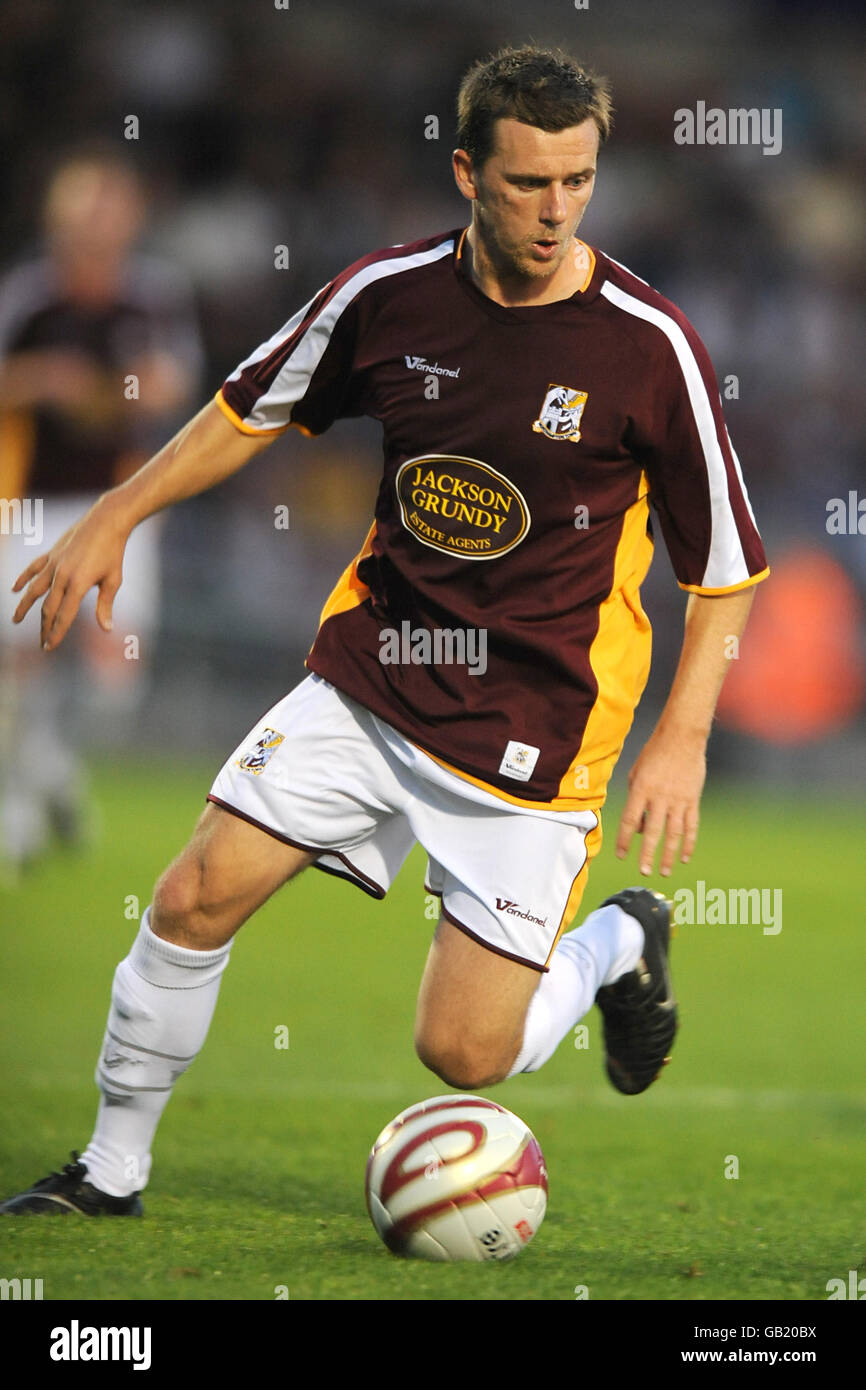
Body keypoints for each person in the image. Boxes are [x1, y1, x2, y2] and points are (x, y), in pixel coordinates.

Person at [1, 46, 768, 1218]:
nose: (556, 210)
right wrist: (118, 508)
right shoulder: (386, 295)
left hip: (536, 727)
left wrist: (683, 739)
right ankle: (110, 1172)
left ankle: (614, 943)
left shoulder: (645, 344)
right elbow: (246, 411)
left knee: (463, 1052)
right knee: (191, 895)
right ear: (466, 171)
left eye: (577, 181)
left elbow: (723, 569)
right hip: (375, 674)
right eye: (527, 183)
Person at [0, 149, 201, 871]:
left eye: (109, 208)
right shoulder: (29, 295)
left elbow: (177, 387)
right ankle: (19, 810)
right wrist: (38, 382)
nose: (95, 224)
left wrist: (113, 395)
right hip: (25, 504)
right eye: (83, 207)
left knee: (115, 675)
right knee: (23, 658)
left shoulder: (151, 296)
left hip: (120, 504)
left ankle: (51, 766)